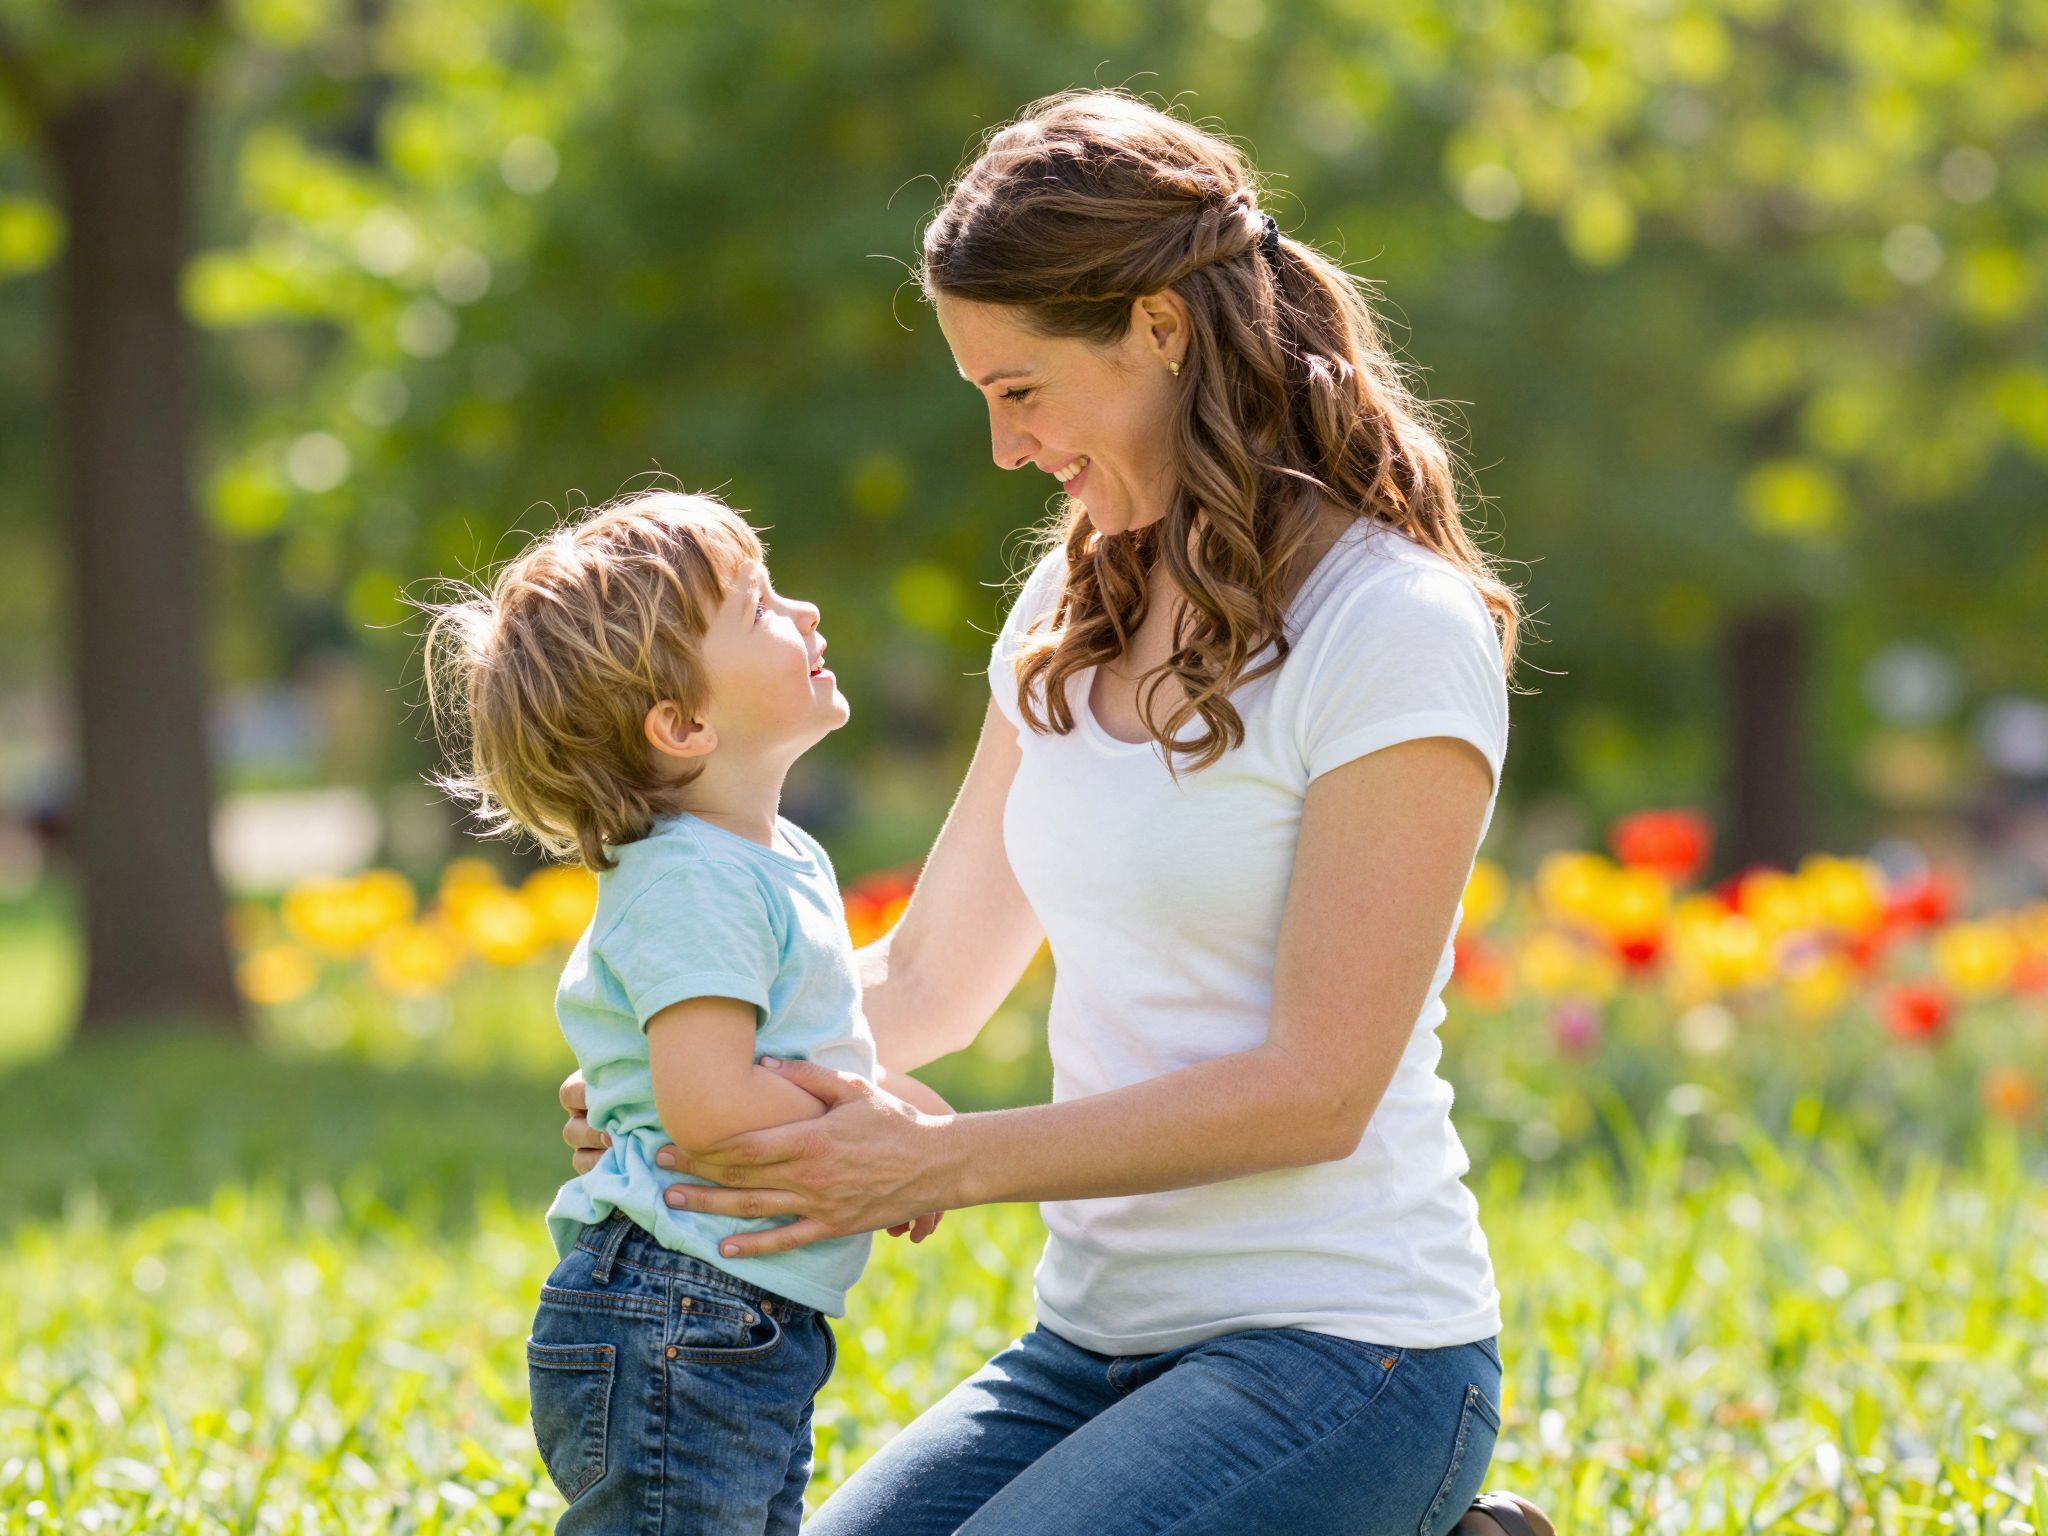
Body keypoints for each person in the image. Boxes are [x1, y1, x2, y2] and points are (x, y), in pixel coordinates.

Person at [560, 90, 1556, 1536]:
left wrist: (941, 1162)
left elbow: (1319, 1090)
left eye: (1020, 390)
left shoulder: (1391, 626)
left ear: (1159, 328)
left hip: (1352, 1353)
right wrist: (688, 1077)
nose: (1004, 447)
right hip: (1092, 1346)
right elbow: (929, 979)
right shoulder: (1069, 604)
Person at [421, 490, 951, 1534]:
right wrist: (875, 1129)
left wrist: (892, 1109)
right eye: (760, 608)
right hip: (678, 1309)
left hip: (725, 1315)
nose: (804, 612)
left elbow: (784, 1054)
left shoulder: (770, 857)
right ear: (682, 724)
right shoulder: (693, 879)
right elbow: (710, 1107)